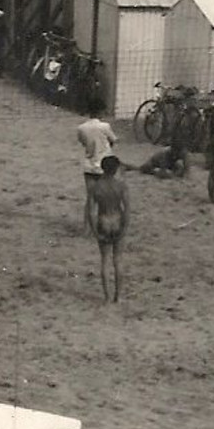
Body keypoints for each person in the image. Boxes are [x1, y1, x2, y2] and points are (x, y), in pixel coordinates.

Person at [77, 98, 116, 236]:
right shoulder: (105, 127)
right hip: (104, 166)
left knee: (91, 199)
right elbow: (114, 140)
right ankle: (103, 227)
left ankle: (86, 229)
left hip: (89, 166)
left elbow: (82, 142)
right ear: (101, 111)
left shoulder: (81, 128)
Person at [93, 155, 129, 303]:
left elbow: (90, 211)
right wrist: (125, 227)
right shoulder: (121, 186)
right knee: (118, 260)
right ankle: (118, 296)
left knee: (105, 261)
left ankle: (107, 297)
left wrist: (94, 231)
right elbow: (127, 209)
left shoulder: (96, 187)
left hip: (104, 221)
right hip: (117, 220)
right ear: (116, 169)